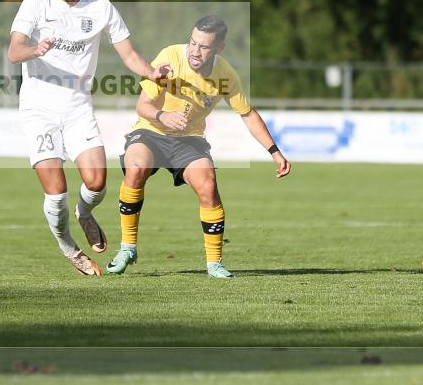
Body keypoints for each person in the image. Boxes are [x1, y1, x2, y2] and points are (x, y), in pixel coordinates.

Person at [8, 0, 170, 276]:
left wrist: (152, 71)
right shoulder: (37, 0)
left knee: (96, 182)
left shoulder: (101, 7)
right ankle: (69, 247)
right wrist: (35, 49)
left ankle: (85, 213)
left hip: (78, 106)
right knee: (56, 193)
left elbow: (128, 54)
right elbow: (14, 51)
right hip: (39, 107)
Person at [106, 15, 291, 279]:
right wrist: (162, 116)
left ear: (219, 48)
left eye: (203, 47)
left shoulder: (225, 74)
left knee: (208, 185)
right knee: (136, 168)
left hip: (189, 140)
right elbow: (142, 106)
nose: (195, 51)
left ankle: (214, 264)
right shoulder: (170, 56)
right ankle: (127, 248)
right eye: (193, 43)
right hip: (151, 131)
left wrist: (275, 152)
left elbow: (247, 115)